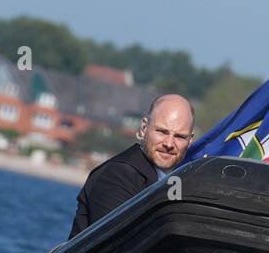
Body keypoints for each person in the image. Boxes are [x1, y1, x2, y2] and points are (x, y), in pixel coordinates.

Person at [67, 93, 194, 239]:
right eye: (162, 132)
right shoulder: (116, 176)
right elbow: (117, 245)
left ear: (190, 141)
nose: (169, 144)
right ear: (144, 128)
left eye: (179, 136)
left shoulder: (178, 182)